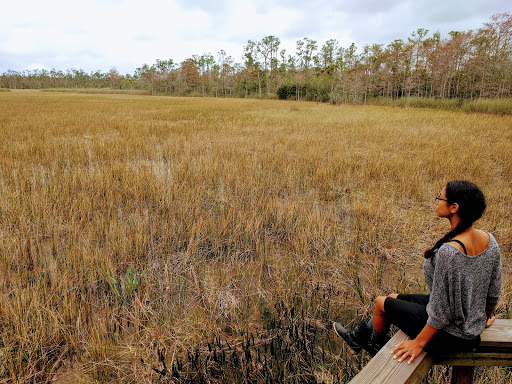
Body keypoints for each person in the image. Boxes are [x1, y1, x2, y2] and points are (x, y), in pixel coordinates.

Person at [333, 180, 502, 364]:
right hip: (463, 324)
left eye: (440, 197)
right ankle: (357, 338)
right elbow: (493, 294)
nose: (436, 201)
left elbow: (439, 313)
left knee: (380, 303)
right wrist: (478, 321)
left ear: (454, 207)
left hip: (451, 335)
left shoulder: (450, 251)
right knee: (393, 296)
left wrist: (418, 343)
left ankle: (376, 351)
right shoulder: (489, 241)